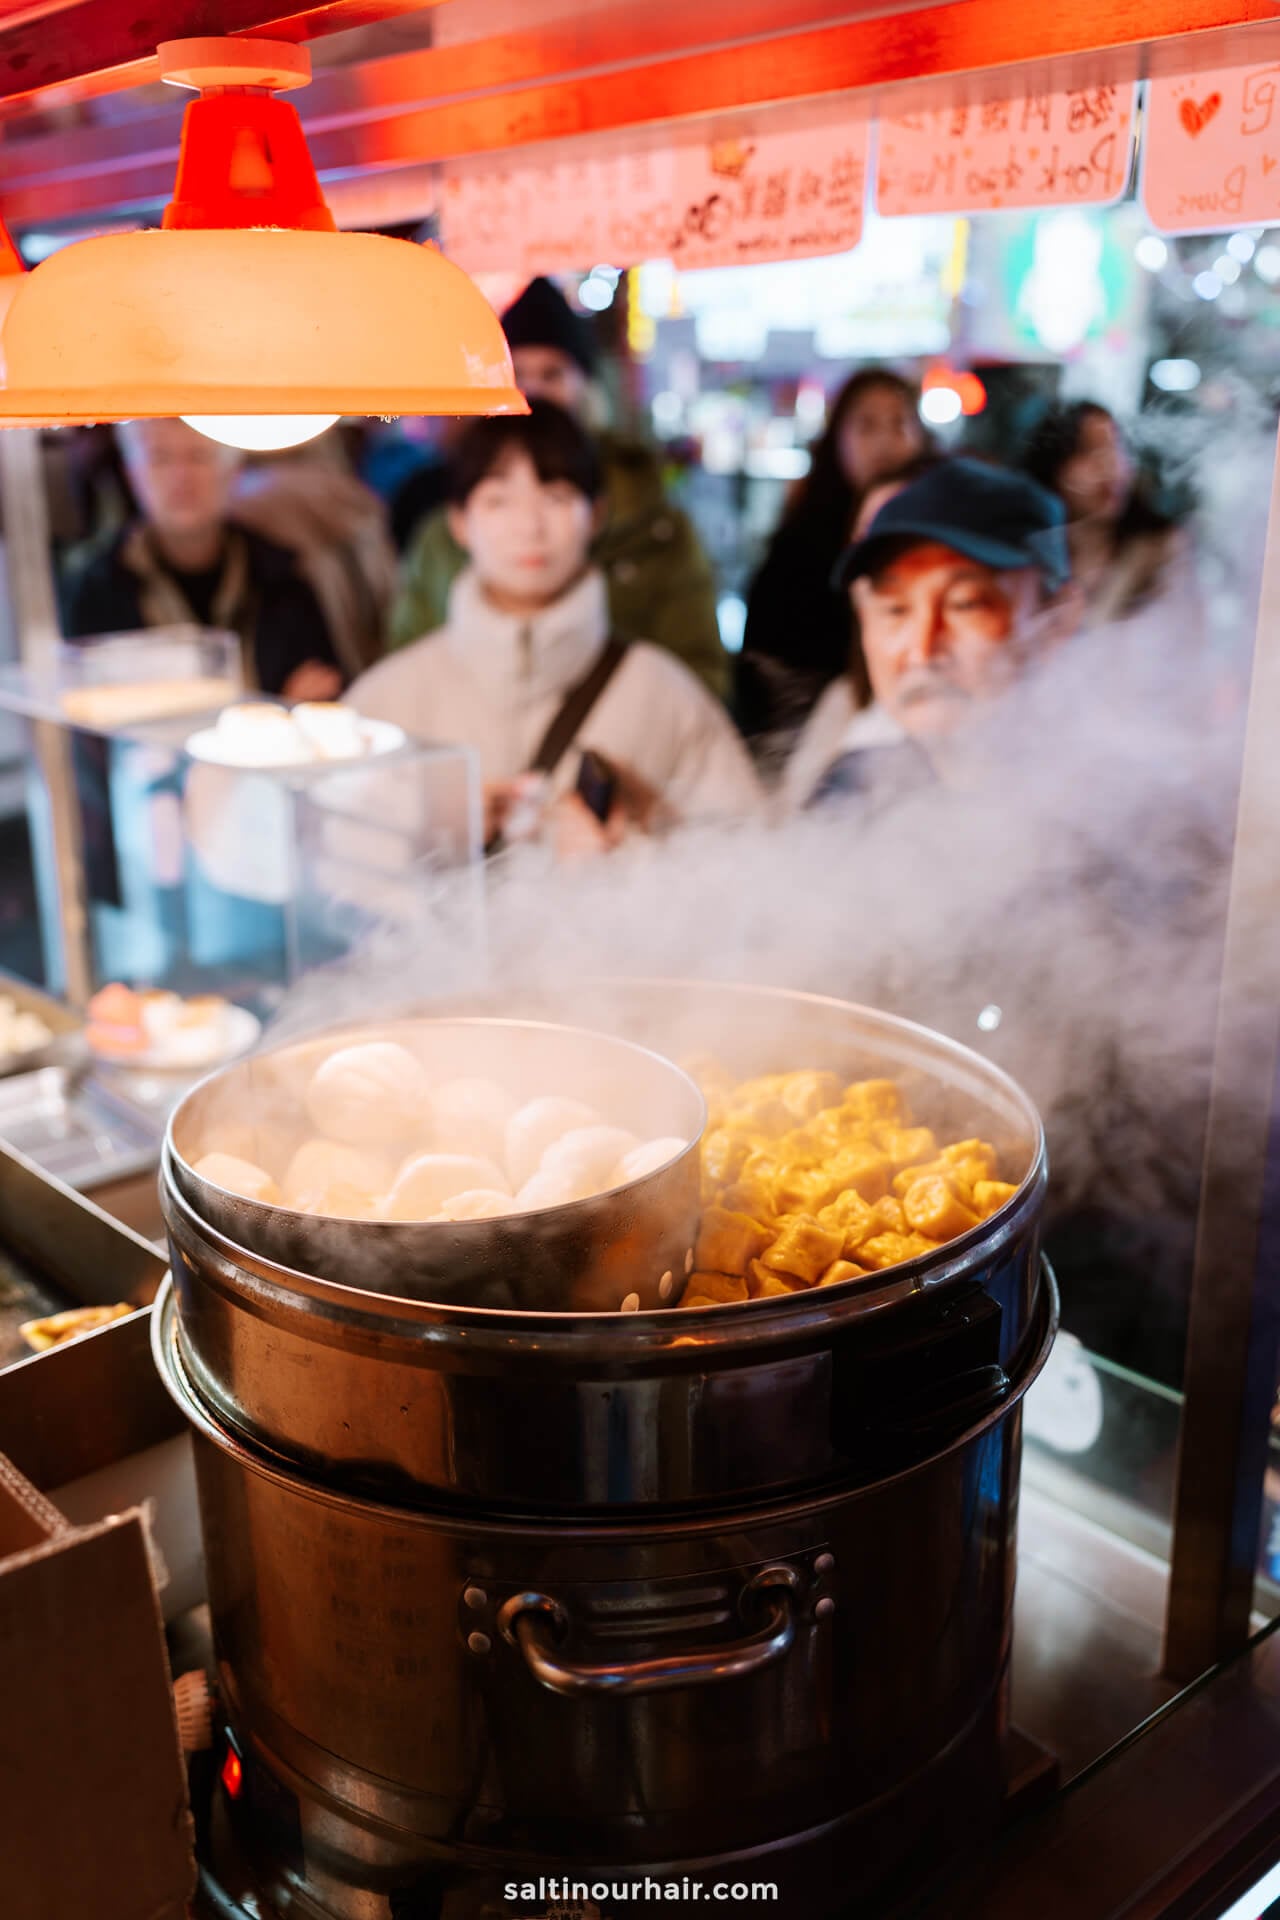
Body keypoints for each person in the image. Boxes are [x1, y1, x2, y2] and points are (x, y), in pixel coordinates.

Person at [348, 402, 760, 853]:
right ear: (460, 523)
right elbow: (333, 873)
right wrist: (433, 838)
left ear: (596, 516)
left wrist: (638, 848)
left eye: (556, 497)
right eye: (498, 500)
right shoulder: (387, 701)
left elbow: (747, 870)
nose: (529, 527)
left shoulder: (667, 696)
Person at [388, 277, 727, 697]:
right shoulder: (439, 526)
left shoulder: (655, 528)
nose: (531, 392)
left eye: (552, 373)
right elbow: (406, 665)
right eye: (516, 373)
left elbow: (700, 678)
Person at [780, 459, 1074, 813]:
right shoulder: (852, 787)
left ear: (1059, 619)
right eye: (895, 610)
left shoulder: (1113, 812)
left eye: (965, 604)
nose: (921, 650)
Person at [63, 417, 342, 701]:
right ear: (131, 473)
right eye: (160, 458)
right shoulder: (96, 588)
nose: (181, 476)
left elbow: (323, 688)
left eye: (199, 457)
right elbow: (89, 715)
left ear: (233, 470)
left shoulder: (283, 575)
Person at [736, 369, 928, 750]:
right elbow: (767, 664)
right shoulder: (800, 543)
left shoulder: (944, 532)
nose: (885, 442)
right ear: (837, 436)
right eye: (867, 425)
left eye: (899, 423)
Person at [1021, 401, 1188, 628]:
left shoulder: (1162, 552)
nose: (1112, 465)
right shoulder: (1028, 559)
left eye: (1117, 448)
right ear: (1053, 467)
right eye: (1089, 450)